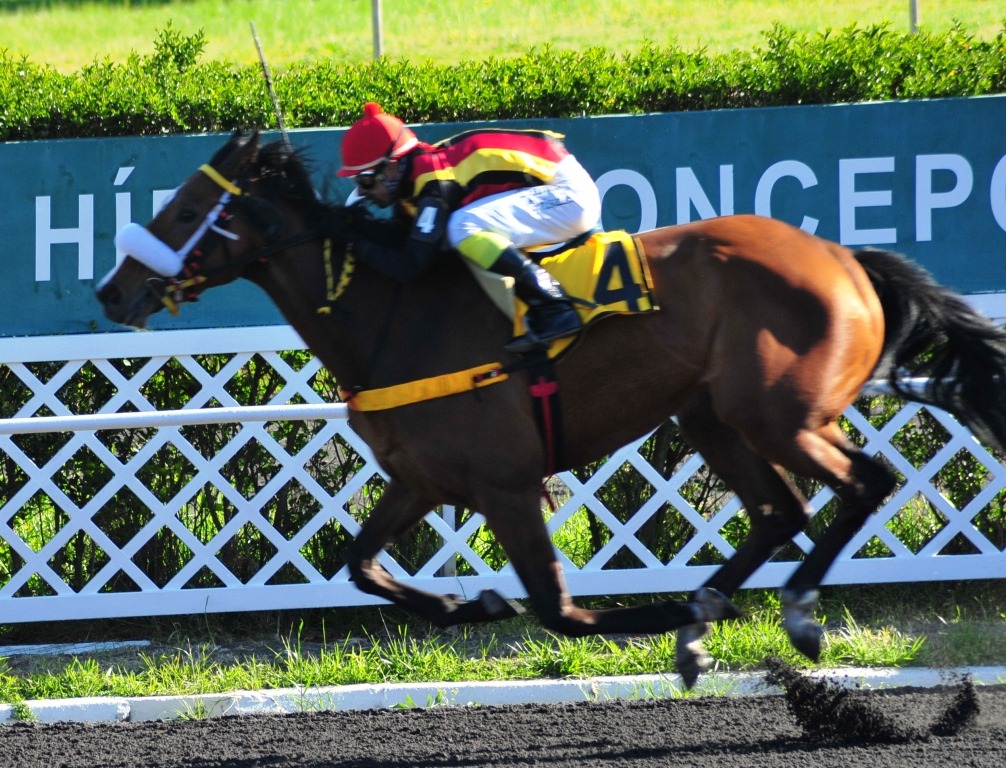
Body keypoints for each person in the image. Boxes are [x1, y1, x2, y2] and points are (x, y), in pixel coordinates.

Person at [337, 102, 602, 352]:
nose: (362, 192)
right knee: (459, 226)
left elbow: (412, 265)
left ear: (392, 168)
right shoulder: (414, 182)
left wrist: (354, 242)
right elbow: (403, 240)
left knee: (461, 225)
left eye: (366, 181)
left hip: (569, 196)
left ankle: (555, 308)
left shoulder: (435, 184)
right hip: (551, 183)